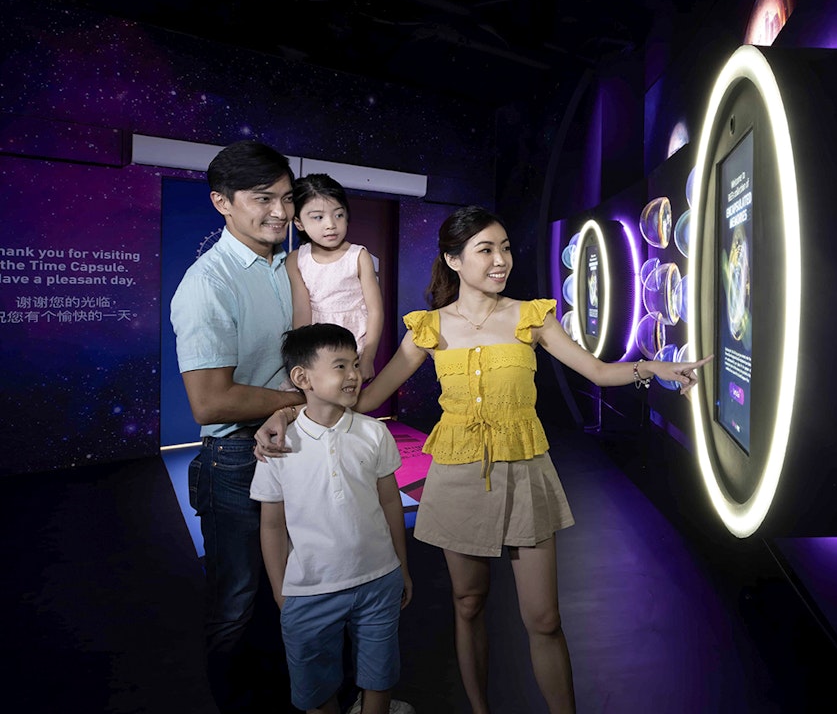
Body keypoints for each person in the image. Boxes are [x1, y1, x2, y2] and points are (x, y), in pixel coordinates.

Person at [256, 205, 710, 714]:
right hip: (457, 474)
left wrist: (657, 367)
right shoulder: (427, 328)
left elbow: (599, 372)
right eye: (486, 250)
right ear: (453, 259)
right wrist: (287, 415)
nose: (501, 261)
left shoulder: (530, 316)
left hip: (525, 470)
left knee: (544, 619)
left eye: (506, 248)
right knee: (468, 605)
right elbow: (359, 398)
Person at [170, 139, 307, 713]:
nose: (280, 211)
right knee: (236, 605)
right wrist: (300, 397)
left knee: (294, 592)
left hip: (298, 448)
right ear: (222, 203)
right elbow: (210, 402)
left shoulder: (289, 263)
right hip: (235, 463)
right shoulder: (210, 282)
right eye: (263, 199)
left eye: (286, 197)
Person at [251, 323, 413, 714]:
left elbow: (391, 503)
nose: (354, 375)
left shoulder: (374, 433)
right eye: (340, 366)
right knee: (315, 690)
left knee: (379, 678)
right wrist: (279, 590)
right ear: (302, 377)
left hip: (379, 580)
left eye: (355, 364)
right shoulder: (279, 445)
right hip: (309, 591)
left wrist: (401, 568)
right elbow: (272, 524)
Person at [287, 174, 384, 380]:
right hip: (317, 346)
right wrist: (302, 358)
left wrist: (368, 357)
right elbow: (302, 311)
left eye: (338, 215)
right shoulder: (296, 259)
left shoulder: (358, 255)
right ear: (299, 223)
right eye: (318, 217)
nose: (331, 224)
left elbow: (375, 310)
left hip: (354, 344)